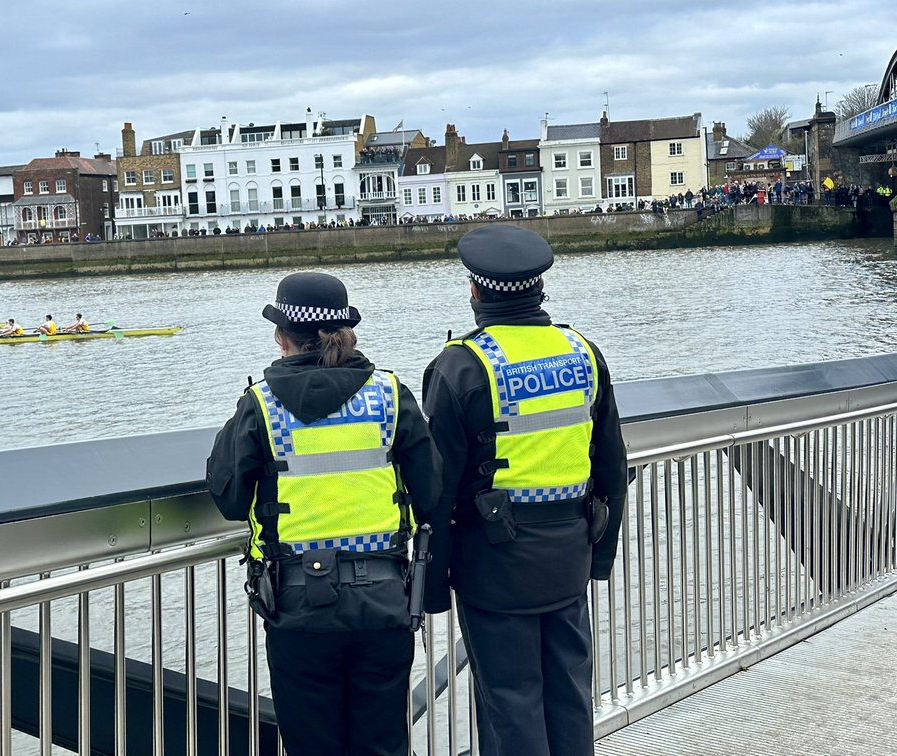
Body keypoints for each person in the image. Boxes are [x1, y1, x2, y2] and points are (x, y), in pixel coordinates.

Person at [207, 271, 442, 756]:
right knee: (384, 742)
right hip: (384, 600)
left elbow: (229, 497)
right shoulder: (389, 396)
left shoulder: (262, 406)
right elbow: (431, 491)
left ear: (281, 338)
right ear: (347, 332)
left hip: (297, 606)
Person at [421, 225, 628, 756]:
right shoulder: (583, 354)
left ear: (475, 293)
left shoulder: (461, 366)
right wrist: (599, 555)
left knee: (510, 703)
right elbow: (610, 461)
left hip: (494, 565)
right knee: (569, 695)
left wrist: (434, 585)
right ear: (539, 289)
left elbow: (439, 490)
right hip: (568, 558)